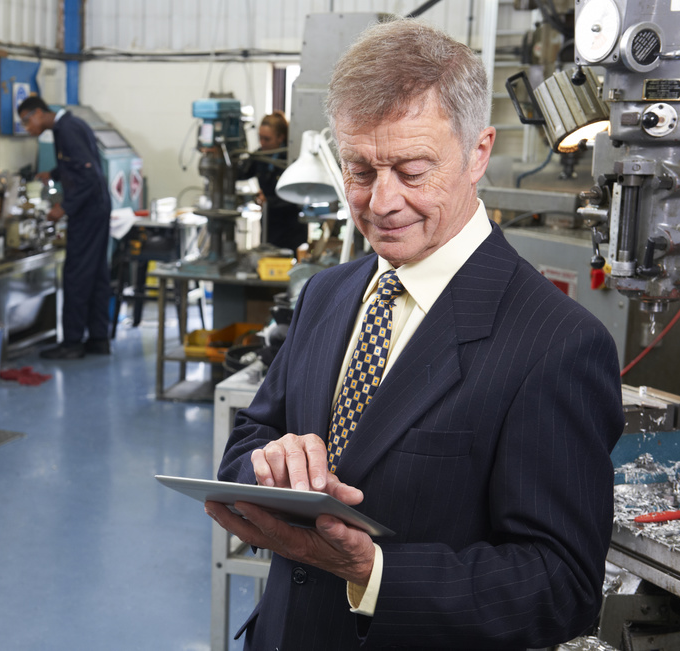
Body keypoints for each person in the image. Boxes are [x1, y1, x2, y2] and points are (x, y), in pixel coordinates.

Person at [207, 18, 624, 650]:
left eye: (412, 169)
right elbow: (253, 435)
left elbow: (561, 586)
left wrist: (371, 571)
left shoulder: (556, 343)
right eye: (361, 170)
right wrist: (267, 465)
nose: (381, 202)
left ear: (478, 153)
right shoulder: (328, 294)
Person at [18, 95, 112, 360]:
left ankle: (71, 343)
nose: (28, 128)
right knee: (96, 275)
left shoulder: (67, 130)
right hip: (98, 208)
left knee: (76, 275)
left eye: (27, 122)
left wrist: (64, 208)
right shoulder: (70, 125)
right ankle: (98, 338)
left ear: (38, 113)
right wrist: (54, 174)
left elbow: (89, 176)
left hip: (88, 212)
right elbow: (77, 163)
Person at [238, 111, 308, 252]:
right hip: (269, 225)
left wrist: (268, 200)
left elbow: (297, 197)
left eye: (267, 139)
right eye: (260, 138)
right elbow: (240, 173)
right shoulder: (260, 156)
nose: (262, 143)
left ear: (280, 138)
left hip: (291, 227)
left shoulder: (292, 160)